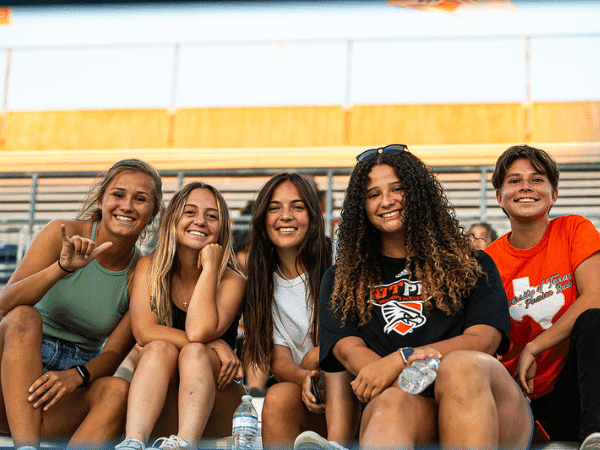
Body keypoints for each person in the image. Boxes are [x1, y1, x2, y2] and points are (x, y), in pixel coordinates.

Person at [318, 144, 534, 449]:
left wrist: (403, 358)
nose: (386, 201)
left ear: (417, 194)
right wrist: (395, 374)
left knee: (460, 366)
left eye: (397, 189)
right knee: (391, 402)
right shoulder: (342, 279)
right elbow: (351, 353)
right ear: (361, 206)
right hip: (409, 409)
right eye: (373, 194)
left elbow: (483, 341)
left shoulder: (472, 264)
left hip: (488, 408)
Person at [0, 159, 163, 449]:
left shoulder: (143, 272)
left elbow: (114, 352)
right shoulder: (61, 233)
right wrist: (61, 268)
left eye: (140, 199)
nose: (126, 206)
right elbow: (6, 305)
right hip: (11, 368)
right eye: (118, 194)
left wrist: (77, 375)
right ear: (102, 200)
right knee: (25, 316)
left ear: (152, 213)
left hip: (67, 382)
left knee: (117, 390)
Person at [114, 181, 246, 450]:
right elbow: (143, 331)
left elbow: (198, 333)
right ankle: (132, 443)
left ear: (222, 229)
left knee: (194, 352)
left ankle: (185, 444)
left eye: (212, 216)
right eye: (190, 212)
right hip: (156, 402)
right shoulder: (149, 267)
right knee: (157, 348)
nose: (200, 222)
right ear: (173, 219)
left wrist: (209, 268)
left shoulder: (232, 280)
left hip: (214, 405)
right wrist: (215, 343)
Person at [485, 145, 600, 449]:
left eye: (537, 179)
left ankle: (595, 436)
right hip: (526, 396)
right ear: (499, 196)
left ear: (554, 194)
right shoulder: (488, 262)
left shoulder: (574, 229)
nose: (525, 186)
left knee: (595, 320)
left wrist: (535, 347)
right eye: (514, 180)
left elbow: (596, 297)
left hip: (579, 381)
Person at [241, 173, 360, 450]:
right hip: (317, 394)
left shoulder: (340, 258)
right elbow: (279, 357)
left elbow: (357, 339)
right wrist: (303, 376)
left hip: (358, 391)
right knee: (279, 396)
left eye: (297, 207)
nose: (286, 216)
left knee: (323, 355)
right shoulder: (262, 280)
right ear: (262, 217)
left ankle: (337, 445)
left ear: (314, 214)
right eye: (275, 208)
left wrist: (311, 361)